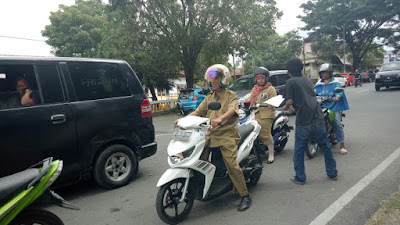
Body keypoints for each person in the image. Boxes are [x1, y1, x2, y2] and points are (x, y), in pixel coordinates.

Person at [174, 64, 252, 211]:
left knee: (231, 165)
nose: (213, 81)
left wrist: (219, 119)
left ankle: (245, 195)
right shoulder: (209, 97)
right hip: (209, 135)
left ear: (223, 79)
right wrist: (182, 121)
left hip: (226, 135)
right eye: (211, 78)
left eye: (216, 78)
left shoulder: (231, 95)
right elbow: (198, 112)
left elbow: (231, 111)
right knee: (195, 158)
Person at [281, 58, 338, 184]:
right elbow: (307, 98)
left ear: (289, 71)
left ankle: (300, 177)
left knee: (299, 149)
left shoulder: (290, 82)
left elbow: (289, 101)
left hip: (304, 120)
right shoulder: (307, 80)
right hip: (317, 115)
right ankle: (332, 172)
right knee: (325, 145)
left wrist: (281, 108)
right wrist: (294, 109)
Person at [314, 63, 349, 155]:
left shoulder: (335, 82)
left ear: (330, 73)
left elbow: (339, 91)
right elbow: (313, 92)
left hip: (334, 107)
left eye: (326, 73)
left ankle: (342, 145)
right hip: (321, 106)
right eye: (322, 73)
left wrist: (337, 97)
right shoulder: (319, 83)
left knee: (337, 123)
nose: (324, 75)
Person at [248, 67, 277, 164]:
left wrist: (268, 104)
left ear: (266, 79)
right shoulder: (255, 89)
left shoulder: (270, 89)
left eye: (262, 78)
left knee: (265, 134)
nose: (260, 80)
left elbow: (274, 101)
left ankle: (271, 154)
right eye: (258, 78)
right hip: (255, 113)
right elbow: (250, 99)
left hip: (267, 114)